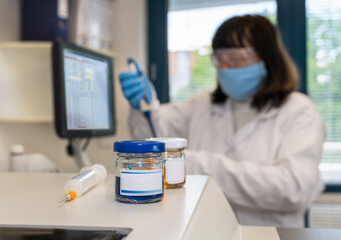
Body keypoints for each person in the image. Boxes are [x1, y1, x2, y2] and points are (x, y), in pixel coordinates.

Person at [119, 15, 326, 228]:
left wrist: (196, 165)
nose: (225, 67)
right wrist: (144, 105)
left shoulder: (298, 111)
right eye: (220, 58)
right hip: (207, 232)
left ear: (268, 58)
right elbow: (156, 136)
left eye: (236, 57)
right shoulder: (202, 104)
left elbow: (292, 189)